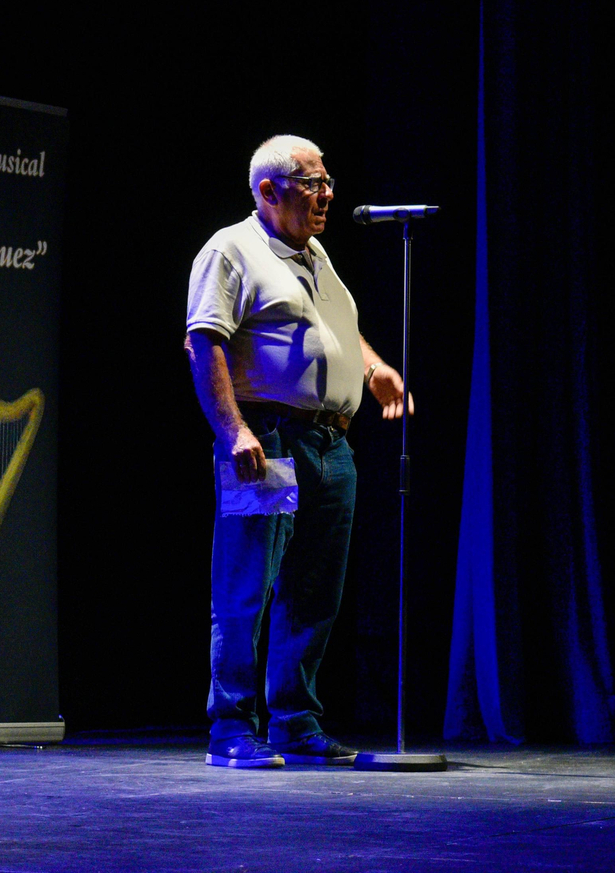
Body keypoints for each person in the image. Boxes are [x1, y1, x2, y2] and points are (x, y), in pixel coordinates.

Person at [184, 135, 410, 768]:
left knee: (314, 590)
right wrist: (234, 431)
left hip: (329, 444)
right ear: (268, 191)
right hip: (268, 438)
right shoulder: (232, 250)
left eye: (327, 182)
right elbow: (203, 342)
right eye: (311, 184)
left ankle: (293, 722)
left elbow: (335, 329)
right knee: (247, 587)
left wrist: (372, 368)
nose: (326, 194)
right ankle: (231, 729)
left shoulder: (314, 254)